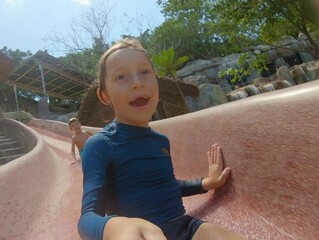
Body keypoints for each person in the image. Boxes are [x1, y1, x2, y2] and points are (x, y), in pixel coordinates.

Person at [78, 38, 243, 240]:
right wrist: (117, 227)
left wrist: (206, 183)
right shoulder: (100, 144)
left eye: (145, 72)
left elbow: (167, 186)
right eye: (121, 76)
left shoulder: (160, 141)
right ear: (105, 96)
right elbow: (86, 219)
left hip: (184, 227)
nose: (138, 83)